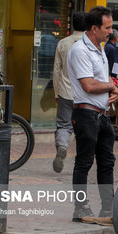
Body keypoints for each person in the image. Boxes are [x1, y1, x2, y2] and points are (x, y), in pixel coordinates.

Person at [67, 6, 118, 224]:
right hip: (86, 114)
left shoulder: (101, 49)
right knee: (84, 162)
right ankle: (81, 208)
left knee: (107, 163)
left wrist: (113, 91)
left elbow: (102, 80)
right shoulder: (80, 50)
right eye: (107, 27)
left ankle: (108, 208)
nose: (111, 31)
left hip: (102, 115)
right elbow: (88, 85)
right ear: (94, 28)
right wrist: (111, 86)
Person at [52, 11, 87, 173]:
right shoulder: (90, 45)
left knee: (64, 125)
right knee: (84, 128)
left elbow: (56, 71)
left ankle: (63, 146)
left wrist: (56, 92)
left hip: (65, 92)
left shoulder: (63, 43)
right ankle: (82, 161)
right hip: (85, 94)